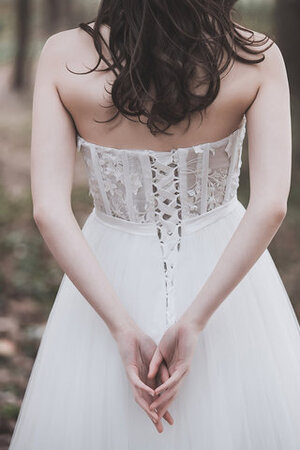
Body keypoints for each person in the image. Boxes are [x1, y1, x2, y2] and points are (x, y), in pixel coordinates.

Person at [9, 0, 300, 448]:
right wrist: (196, 321)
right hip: (227, 273)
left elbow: (49, 210)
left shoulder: (62, 56)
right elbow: (270, 206)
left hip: (108, 271)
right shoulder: (255, 56)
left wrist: (121, 327)